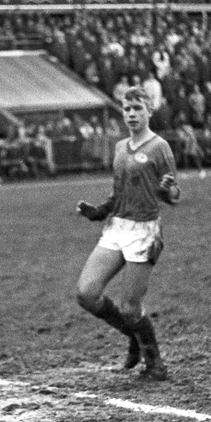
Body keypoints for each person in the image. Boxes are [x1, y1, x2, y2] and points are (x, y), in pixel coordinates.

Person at [75, 86, 180, 380]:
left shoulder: (160, 147)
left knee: (131, 308)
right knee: (87, 293)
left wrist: (167, 191)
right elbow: (119, 192)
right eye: (127, 109)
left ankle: (155, 361)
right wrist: (99, 211)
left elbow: (175, 193)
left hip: (144, 231)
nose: (131, 114)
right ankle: (132, 337)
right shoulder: (121, 147)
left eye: (137, 108)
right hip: (116, 226)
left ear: (149, 110)